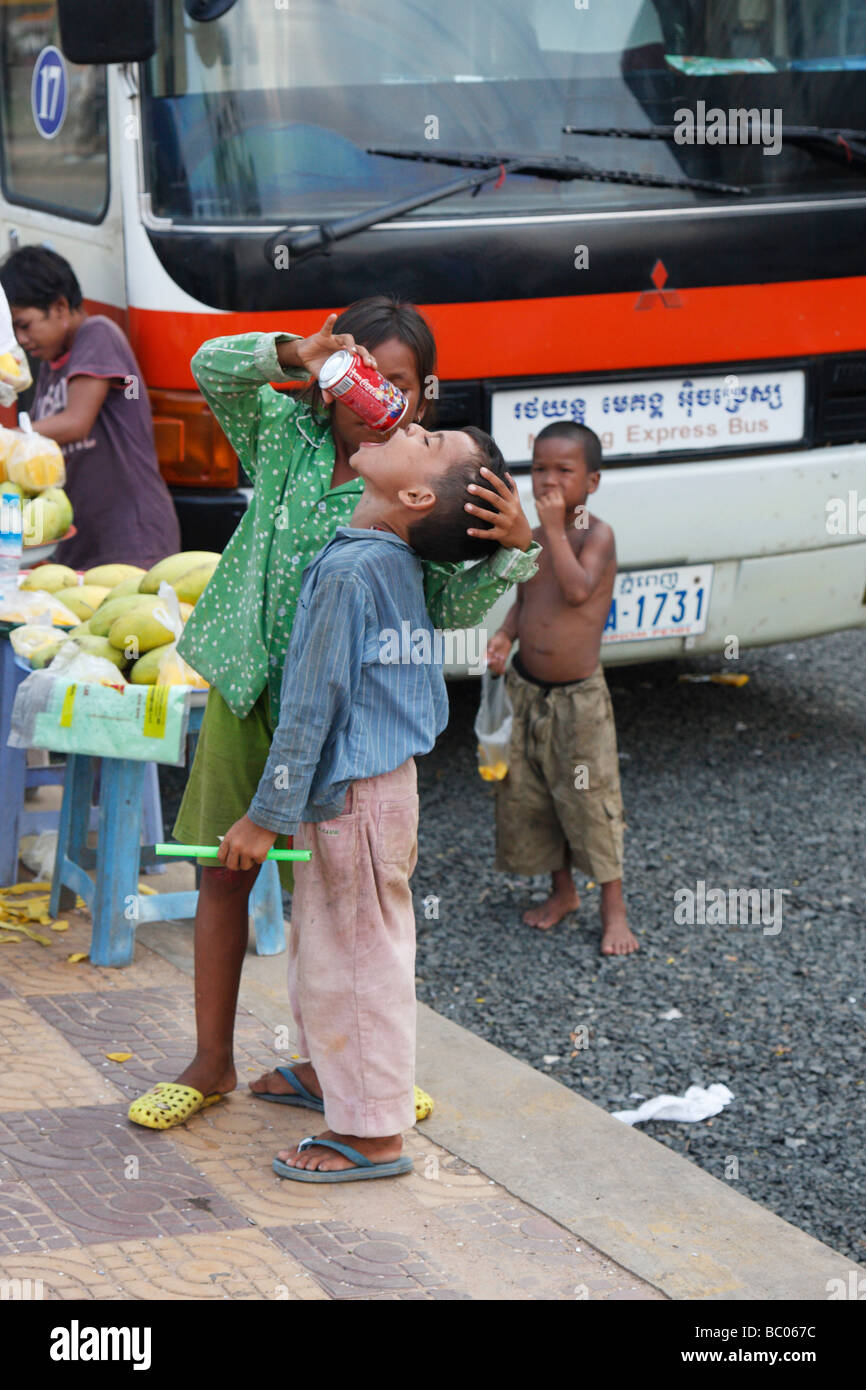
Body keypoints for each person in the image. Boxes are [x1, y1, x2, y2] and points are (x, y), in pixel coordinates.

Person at [128, 301, 539, 1130]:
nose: (373, 398)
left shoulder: (420, 500)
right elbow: (211, 367)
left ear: (425, 395)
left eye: (396, 385)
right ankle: (212, 1061)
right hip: (249, 689)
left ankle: (349, 1075)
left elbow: (452, 613)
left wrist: (514, 550)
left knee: (339, 908)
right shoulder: (287, 434)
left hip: (340, 730)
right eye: (358, 376)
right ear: (329, 380)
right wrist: (292, 350)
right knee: (224, 870)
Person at [204, 423, 519, 1180]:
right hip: (360, 794)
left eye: (428, 435)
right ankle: (325, 1073)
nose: (406, 421)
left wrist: (264, 815)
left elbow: (313, 706)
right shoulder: (379, 554)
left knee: (356, 961)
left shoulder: (355, 572)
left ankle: (374, 1132)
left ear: (413, 494)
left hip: (354, 798)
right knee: (326, 948)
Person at [486, 420, 638, 955]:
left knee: (589, 798)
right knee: (531, 794)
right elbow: (529, 596)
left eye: (563, 471)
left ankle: (613, 908)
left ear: (591, 481)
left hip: (580, 700)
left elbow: (575, 591)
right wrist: (506, 634)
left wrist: (551, 529)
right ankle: (563, 891)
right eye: (539, 468)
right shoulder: (534, 535)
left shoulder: (596, 535)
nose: (548, 480)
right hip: (529, 690)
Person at [0, 246, 180, 569]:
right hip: (82, 548)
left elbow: (76, 423)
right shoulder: (51, 367)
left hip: (132, 541)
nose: (21, 339)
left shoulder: (99, 334)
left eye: (24, 325)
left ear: (59, 307)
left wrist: (9, 439)